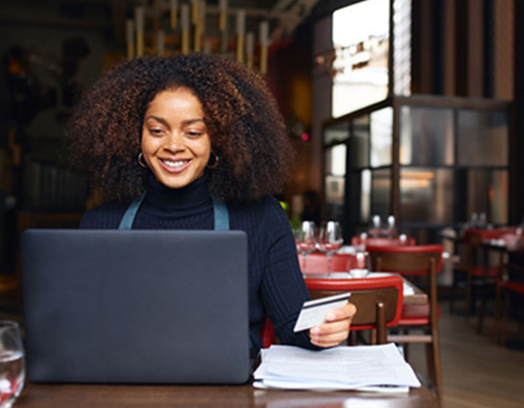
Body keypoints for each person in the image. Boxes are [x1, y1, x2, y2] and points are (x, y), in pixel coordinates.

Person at [68, 54, 356, 350]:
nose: (174, 146)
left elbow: (294, 327)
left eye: (193, 132)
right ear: (135, 135)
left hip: (230, 391)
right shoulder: (101, 223)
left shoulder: (262, 219)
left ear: (219, 139)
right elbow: (77, 330)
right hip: (122, 388)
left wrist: (324, 329)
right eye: (157, 130)